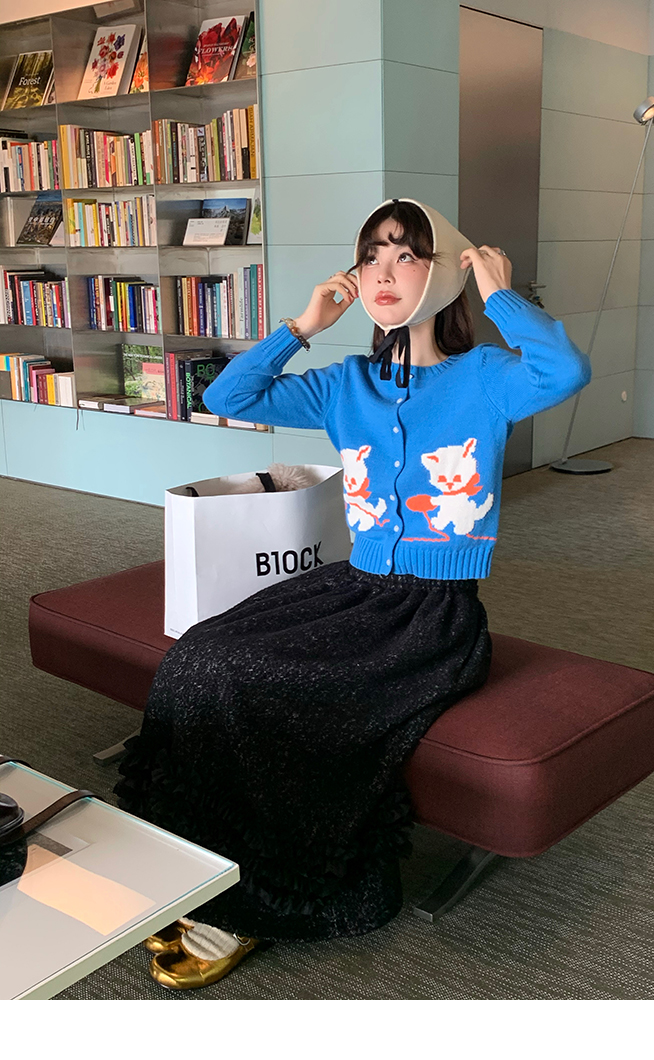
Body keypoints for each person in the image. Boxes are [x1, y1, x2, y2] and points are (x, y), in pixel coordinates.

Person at [114, 198, 592, 990]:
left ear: (444, 273)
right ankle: (202, 868)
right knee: (203, 655)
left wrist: (501, 296)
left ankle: (266, 901)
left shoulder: (487, 378)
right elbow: (227, 397)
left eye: (406, 255)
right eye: (372, 256)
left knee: (268, 686)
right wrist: (302, 326)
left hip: (431, 617)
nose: (382, 272)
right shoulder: (347, 385)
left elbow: (564, 371)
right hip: (355, 589)